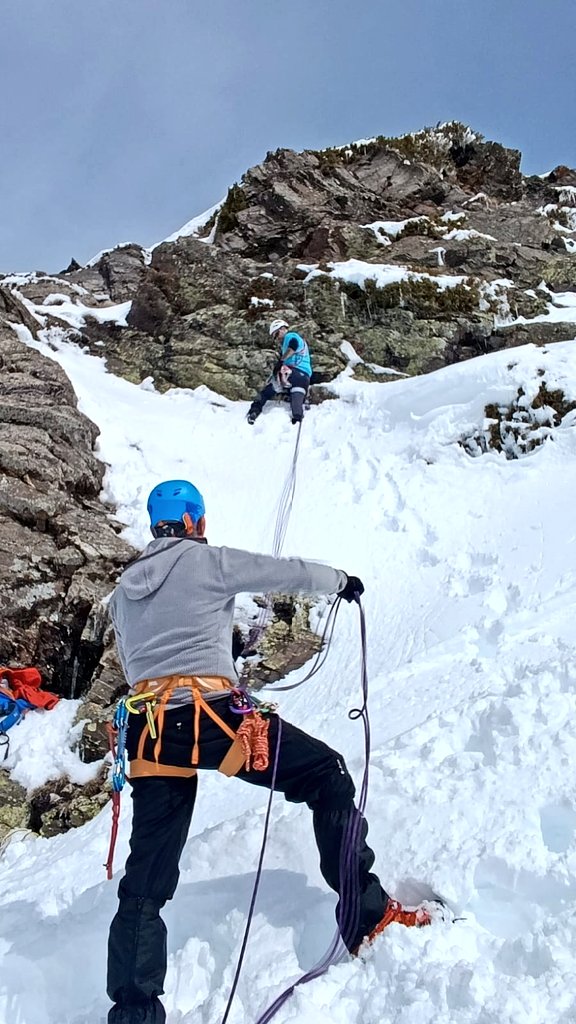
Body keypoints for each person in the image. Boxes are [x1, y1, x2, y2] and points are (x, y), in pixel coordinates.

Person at [106, 479, 435, 1024]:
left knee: (145, 880)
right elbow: (286, 572)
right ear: (194, 522)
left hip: (152, 730)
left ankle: (134, 1013)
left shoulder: (123, 591)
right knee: (326, 775)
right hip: (215, 717)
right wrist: (341, 582)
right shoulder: (205, 561)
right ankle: (366, 914)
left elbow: (136, 658)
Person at [247, 319, 312, 425]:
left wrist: (281, 361)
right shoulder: (298, 342)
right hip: (304, 378)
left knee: (267, 391)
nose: (277, 339)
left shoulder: (290, 336)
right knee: (297, 398)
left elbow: (293, 345)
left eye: (276, 334)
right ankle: (298, 413)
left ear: (282, 329)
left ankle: (254, 410)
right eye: (274, 337)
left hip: (292, 373)